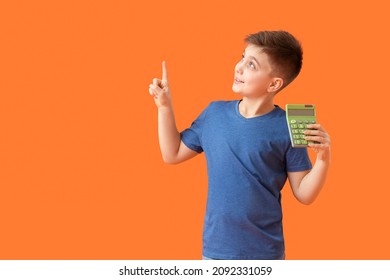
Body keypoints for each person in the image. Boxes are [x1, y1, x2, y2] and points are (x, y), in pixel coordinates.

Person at [148, 30, 331, 260]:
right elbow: (172, 153)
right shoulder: (213, 115)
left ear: (274, 84)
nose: (239, 67)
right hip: (216, 252)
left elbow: (304, 193)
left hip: (266, 256)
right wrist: (164, 107)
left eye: (251, 65)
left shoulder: (286, 127)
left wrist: (323, 158)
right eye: (242, 57)